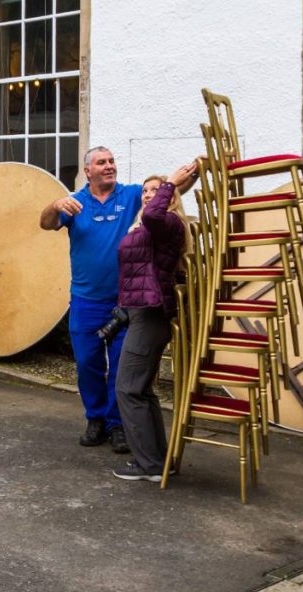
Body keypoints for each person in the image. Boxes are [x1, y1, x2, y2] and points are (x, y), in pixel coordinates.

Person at [40, 148, 196, 454]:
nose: (109, 166)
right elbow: (45, 223)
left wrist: (190, 174)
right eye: (102, 162)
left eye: (112, 161)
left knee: (122, 367)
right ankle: (95, 418)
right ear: (88, 171)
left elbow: (170, 193)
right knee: (88, 364)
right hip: (85, 300)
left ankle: (117, 424)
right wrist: (55, 204)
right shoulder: (76, 202)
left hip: (126, 302)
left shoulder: (132, 195)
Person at [111, 165, 197, 482]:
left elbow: (153, 216)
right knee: (142, 390)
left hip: (149, 314)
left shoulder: (168, 222)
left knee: (127, 389)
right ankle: (159, 460)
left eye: (155, 190)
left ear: (171, 197)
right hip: (142, 312)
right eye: (145, 191)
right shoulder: (148, 227)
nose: (148, 195)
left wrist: (172, 183)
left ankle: (148, 464)